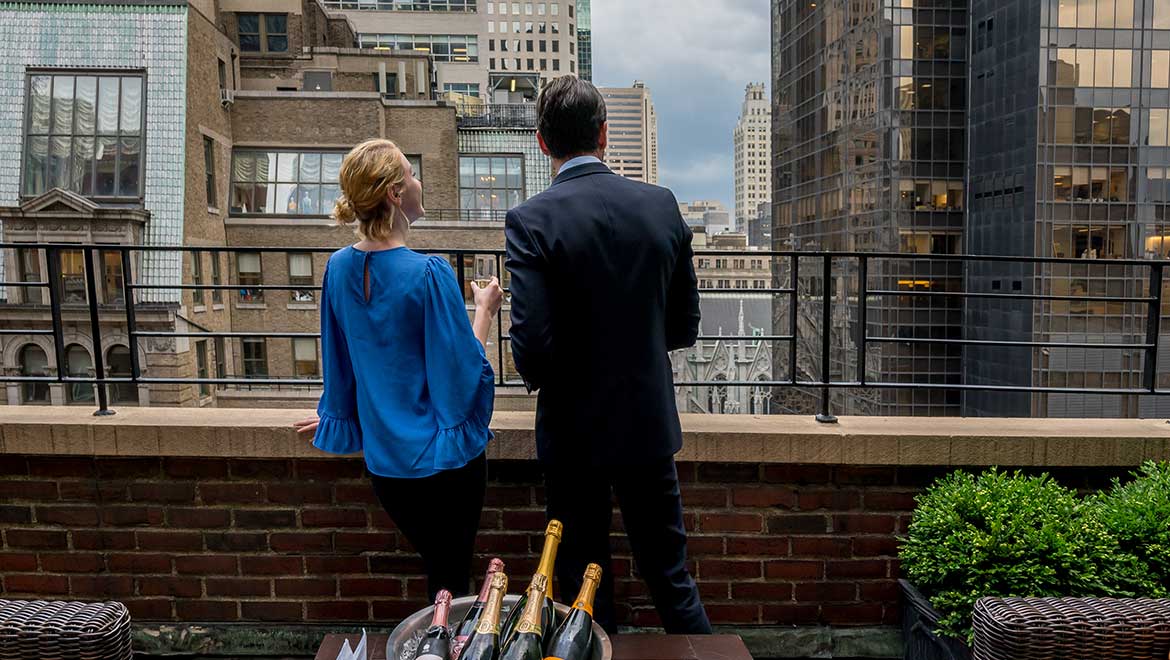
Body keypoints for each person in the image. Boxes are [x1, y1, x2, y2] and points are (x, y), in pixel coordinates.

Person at [504, 76, 710, 635]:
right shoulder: (660, 205)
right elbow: (685, 327)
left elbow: (532, 350)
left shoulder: (531, 220)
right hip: (646, 424)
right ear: (603, 134)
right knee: (671, 577)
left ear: (543, 143)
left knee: (580, 589)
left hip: (573, 435)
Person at [294, 138, 503, 600]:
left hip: (387, 468)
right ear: (393, 194)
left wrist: (336, 417)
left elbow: (341, 360)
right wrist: (484, 309)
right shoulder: (429, 272)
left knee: (440, 574)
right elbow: (462, 374)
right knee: (451, 581)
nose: (418, 181)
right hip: (444, 467)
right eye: (410, 173)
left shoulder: (337, 269)